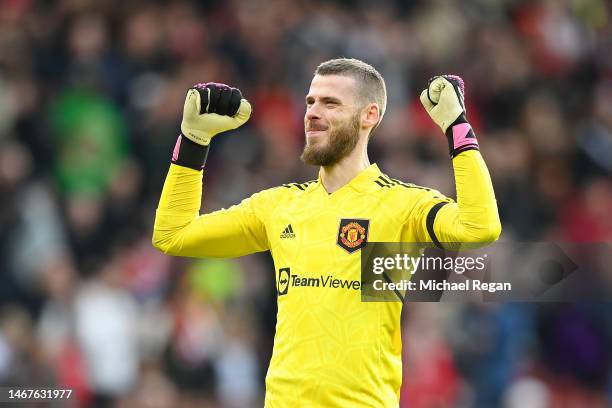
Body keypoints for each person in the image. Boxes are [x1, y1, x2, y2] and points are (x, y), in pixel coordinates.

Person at [152, 58, 501, 407]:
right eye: (310, 102)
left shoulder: (402, 206)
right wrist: (194, 141)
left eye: (330, 103)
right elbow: (173, 234)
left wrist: (457, 126)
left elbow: (479, 226)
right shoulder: (280, 206)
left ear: (370, 115)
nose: (313, 113)